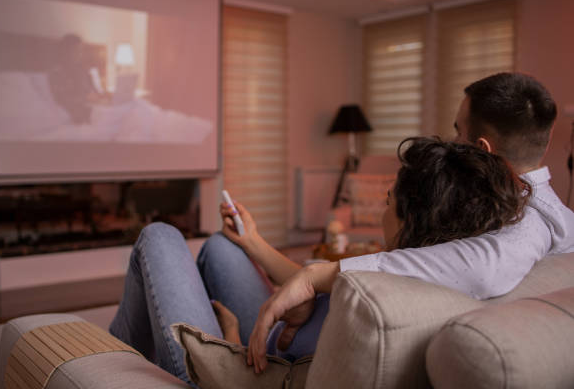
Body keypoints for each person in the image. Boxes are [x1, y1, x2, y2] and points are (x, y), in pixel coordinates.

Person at [246, 72, 574, 372]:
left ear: (481, 149)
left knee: (219, 252)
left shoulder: (527, 221)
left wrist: (321, 272)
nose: (452, 139)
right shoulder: (512, 210)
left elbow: (487, 269)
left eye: (458, 130)